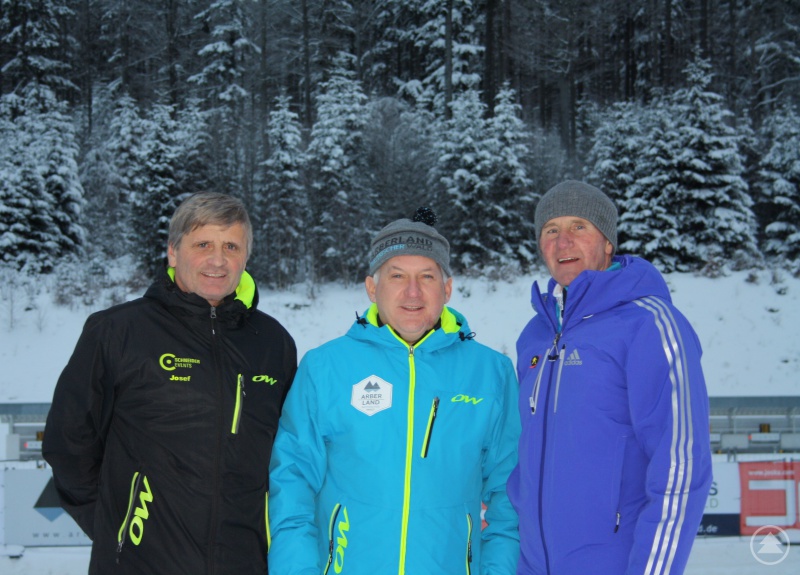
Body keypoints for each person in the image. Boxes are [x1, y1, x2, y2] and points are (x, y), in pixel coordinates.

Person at [42, 192, 297, 574]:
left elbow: (287, 456)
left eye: (231, 246)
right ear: (173, 252)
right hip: (138, 564)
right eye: (203, 244)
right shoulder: (116, 332)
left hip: (245, 563)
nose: (218, 259)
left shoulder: (273, 342)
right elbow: (68, 444)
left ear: (246, 257)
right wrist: (118, 529)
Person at [267, 207, 521, 574]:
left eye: (427, 276)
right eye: (397, 275)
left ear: (447, 288)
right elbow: (293, 483)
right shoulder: (325, 367)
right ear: (372, 288)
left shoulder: (490, 372)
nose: (412, 292)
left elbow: (508, 494)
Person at [507, 181, 713, 574]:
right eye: (551, 230)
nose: (563, 241)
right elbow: (525, 457)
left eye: (579, 226)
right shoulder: (535, 335)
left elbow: (682, 465)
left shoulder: (649, 324)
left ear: (607, 243)